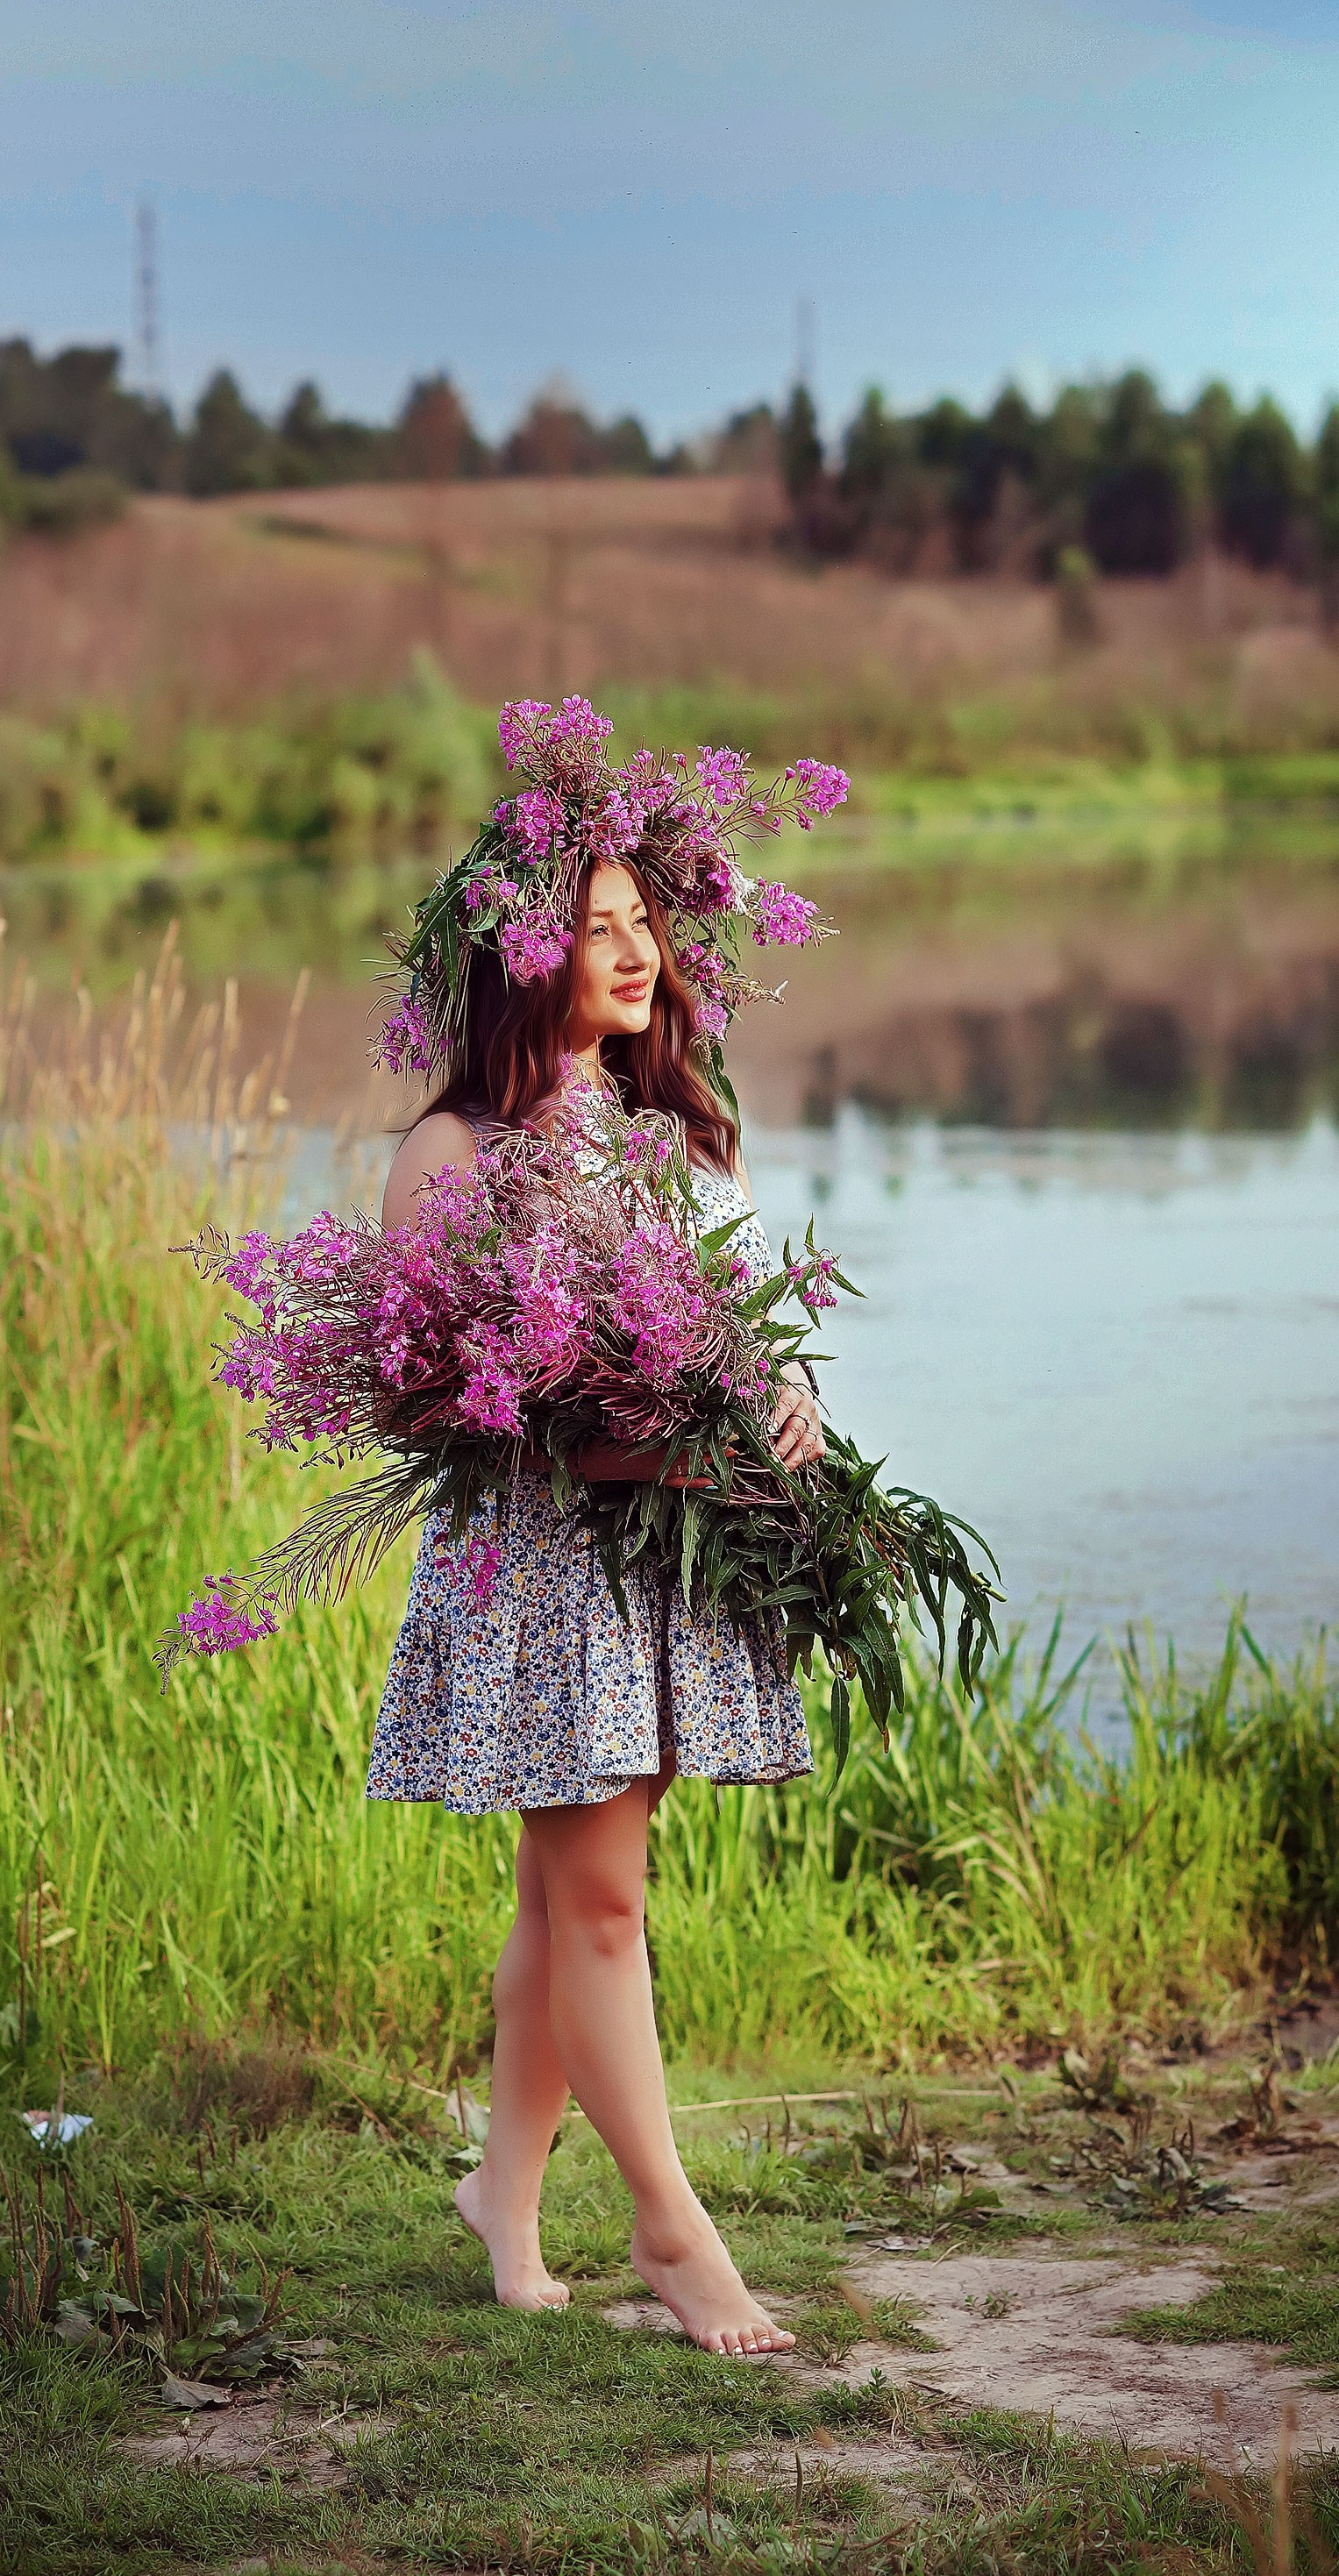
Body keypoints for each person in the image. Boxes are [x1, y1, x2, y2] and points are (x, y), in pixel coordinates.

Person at [367, 852, 825, 2358]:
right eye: (594, 929)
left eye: (645, 926)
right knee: (605, 1903)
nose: (634, 954)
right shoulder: (457, 1148)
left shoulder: (683, 1126)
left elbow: (744, 1326)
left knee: (560, 1897)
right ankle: (669, 2230)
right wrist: (635, 1436)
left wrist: (788, 1410)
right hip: (549, 1565)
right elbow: (422, 1396)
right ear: (519, 956)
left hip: (674, 1559)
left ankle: (503, 2189)